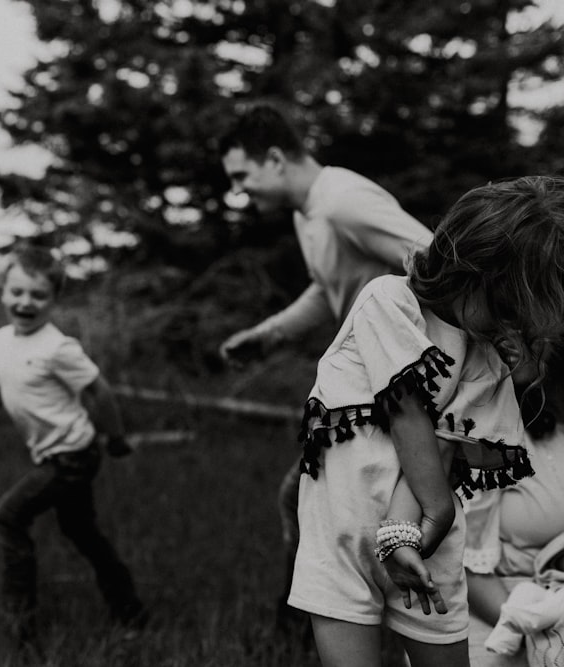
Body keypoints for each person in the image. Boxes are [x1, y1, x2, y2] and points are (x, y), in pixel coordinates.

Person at [288, 175, 564, 667]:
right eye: (506, 307)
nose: (509, 325)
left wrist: (404, 530)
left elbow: (445, 442)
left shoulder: (484, 354)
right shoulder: (388, 301)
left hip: (426, 536)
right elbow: (407, 409)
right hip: (343, 534)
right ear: (471, 272)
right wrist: (435, 507)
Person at [217, 104, 434, 627]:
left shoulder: (342, 200)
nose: (240, 191)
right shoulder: (308, 213)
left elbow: (434, 258)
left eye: (242, 176)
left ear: (274, 158)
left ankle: (326, 620)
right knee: (307, 494)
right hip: (357, 383)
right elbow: (327, 286)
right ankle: (322, 616)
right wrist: (268, 333)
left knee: (311, 493)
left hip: (396, 383)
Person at [0, 244, 144, 644]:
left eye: (38, 295)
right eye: (16, 292)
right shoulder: (0, 341)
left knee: (8, 518)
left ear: (54, 299)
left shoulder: (58, 347)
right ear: (2, 293)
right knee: (82, 532)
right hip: (56, 455)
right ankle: (131, 613)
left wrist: (115, 438)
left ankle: (21, 629)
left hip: (72, 456)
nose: (25, 302)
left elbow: (100, 393)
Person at [464, 346, 564, 667]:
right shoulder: (491, 433)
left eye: (523, 325)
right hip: (499, 615)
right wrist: (536, 625)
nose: (509, 339)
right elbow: (465, 567)